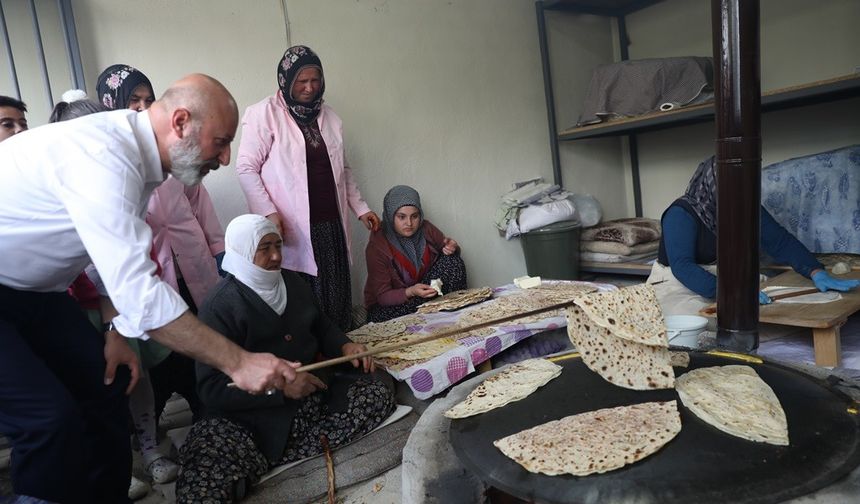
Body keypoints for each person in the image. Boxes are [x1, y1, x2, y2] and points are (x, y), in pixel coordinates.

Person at [0, 74, 298, 504]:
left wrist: (117, 330)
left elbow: (108, 257)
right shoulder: (105, 156)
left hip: (38, 293)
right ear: (180, 122)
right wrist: (239, 361)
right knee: (48, 422)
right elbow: (143, 295)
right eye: (221, 141)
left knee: (108, 389)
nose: (227, 157)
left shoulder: (143, 162)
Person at [176, 214, 395, 503]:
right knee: (206, 473)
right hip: (246, 420)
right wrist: (279, 389)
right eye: (264, 248)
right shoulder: (220, 307)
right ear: (242, 251)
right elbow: (211, 389)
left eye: (278, 245)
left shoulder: (291, 283)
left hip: (308, 400)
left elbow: (321, 325)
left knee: (378, 388)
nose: (277, 255)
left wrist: (345, 346)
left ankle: (271, 455)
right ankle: (260, 455)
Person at [97, 64, 222, 488]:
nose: (144, 109)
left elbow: (200, 204)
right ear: (113, 108)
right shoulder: (115, 165)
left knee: (199, 363)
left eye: (149, 100)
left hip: (193, 268)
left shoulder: (177, 157)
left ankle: (207, 432)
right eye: (134, 102)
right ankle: (151, 445)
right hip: (152, 279)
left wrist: (218, 252)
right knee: (156, 368)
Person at [236, 45, 380, 332]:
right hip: (291, 227)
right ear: (286, 81)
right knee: (301, 300)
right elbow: (245, 168)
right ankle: (311, 366)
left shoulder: (331, 118)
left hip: (330, 225)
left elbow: (344, 170)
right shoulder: (264, 114)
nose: (309, 87)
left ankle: (340, 361)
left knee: (336, 295)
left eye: (315, 80)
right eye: (301, 81)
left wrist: (361, 209)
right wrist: (268, 212)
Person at [647, 155, 860, 318]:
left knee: (770, 311)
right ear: (713, 187)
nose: (739, 196)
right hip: (676, 284)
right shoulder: (681, 214)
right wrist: (732, 292)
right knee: (704, 321)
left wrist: (814, 270)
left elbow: (779, 241)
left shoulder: (743, 204)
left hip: (722, 278)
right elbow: (683, 267)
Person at [364, 185, 468, 322]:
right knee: (387, 316)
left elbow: (448, 252)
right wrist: (411, 291)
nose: (409, 223)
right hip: (390, 305)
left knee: (452, 261)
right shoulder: (378, 246)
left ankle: (450, 312)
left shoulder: (425, 229)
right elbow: (383, 297)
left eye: (414, 216)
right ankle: (435, 312)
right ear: (390, 216)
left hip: (423, 294)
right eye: (401, 217)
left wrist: (452, 247)